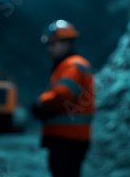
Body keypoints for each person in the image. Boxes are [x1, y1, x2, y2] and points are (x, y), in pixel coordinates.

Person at [32, 19, 94, 177]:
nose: (49, 49)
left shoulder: (72, 65)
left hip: (67, 139)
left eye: (53, 44)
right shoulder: (70, 65)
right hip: (69, 138)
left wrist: (40, 103)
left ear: (66, 44)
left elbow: (63, 94)